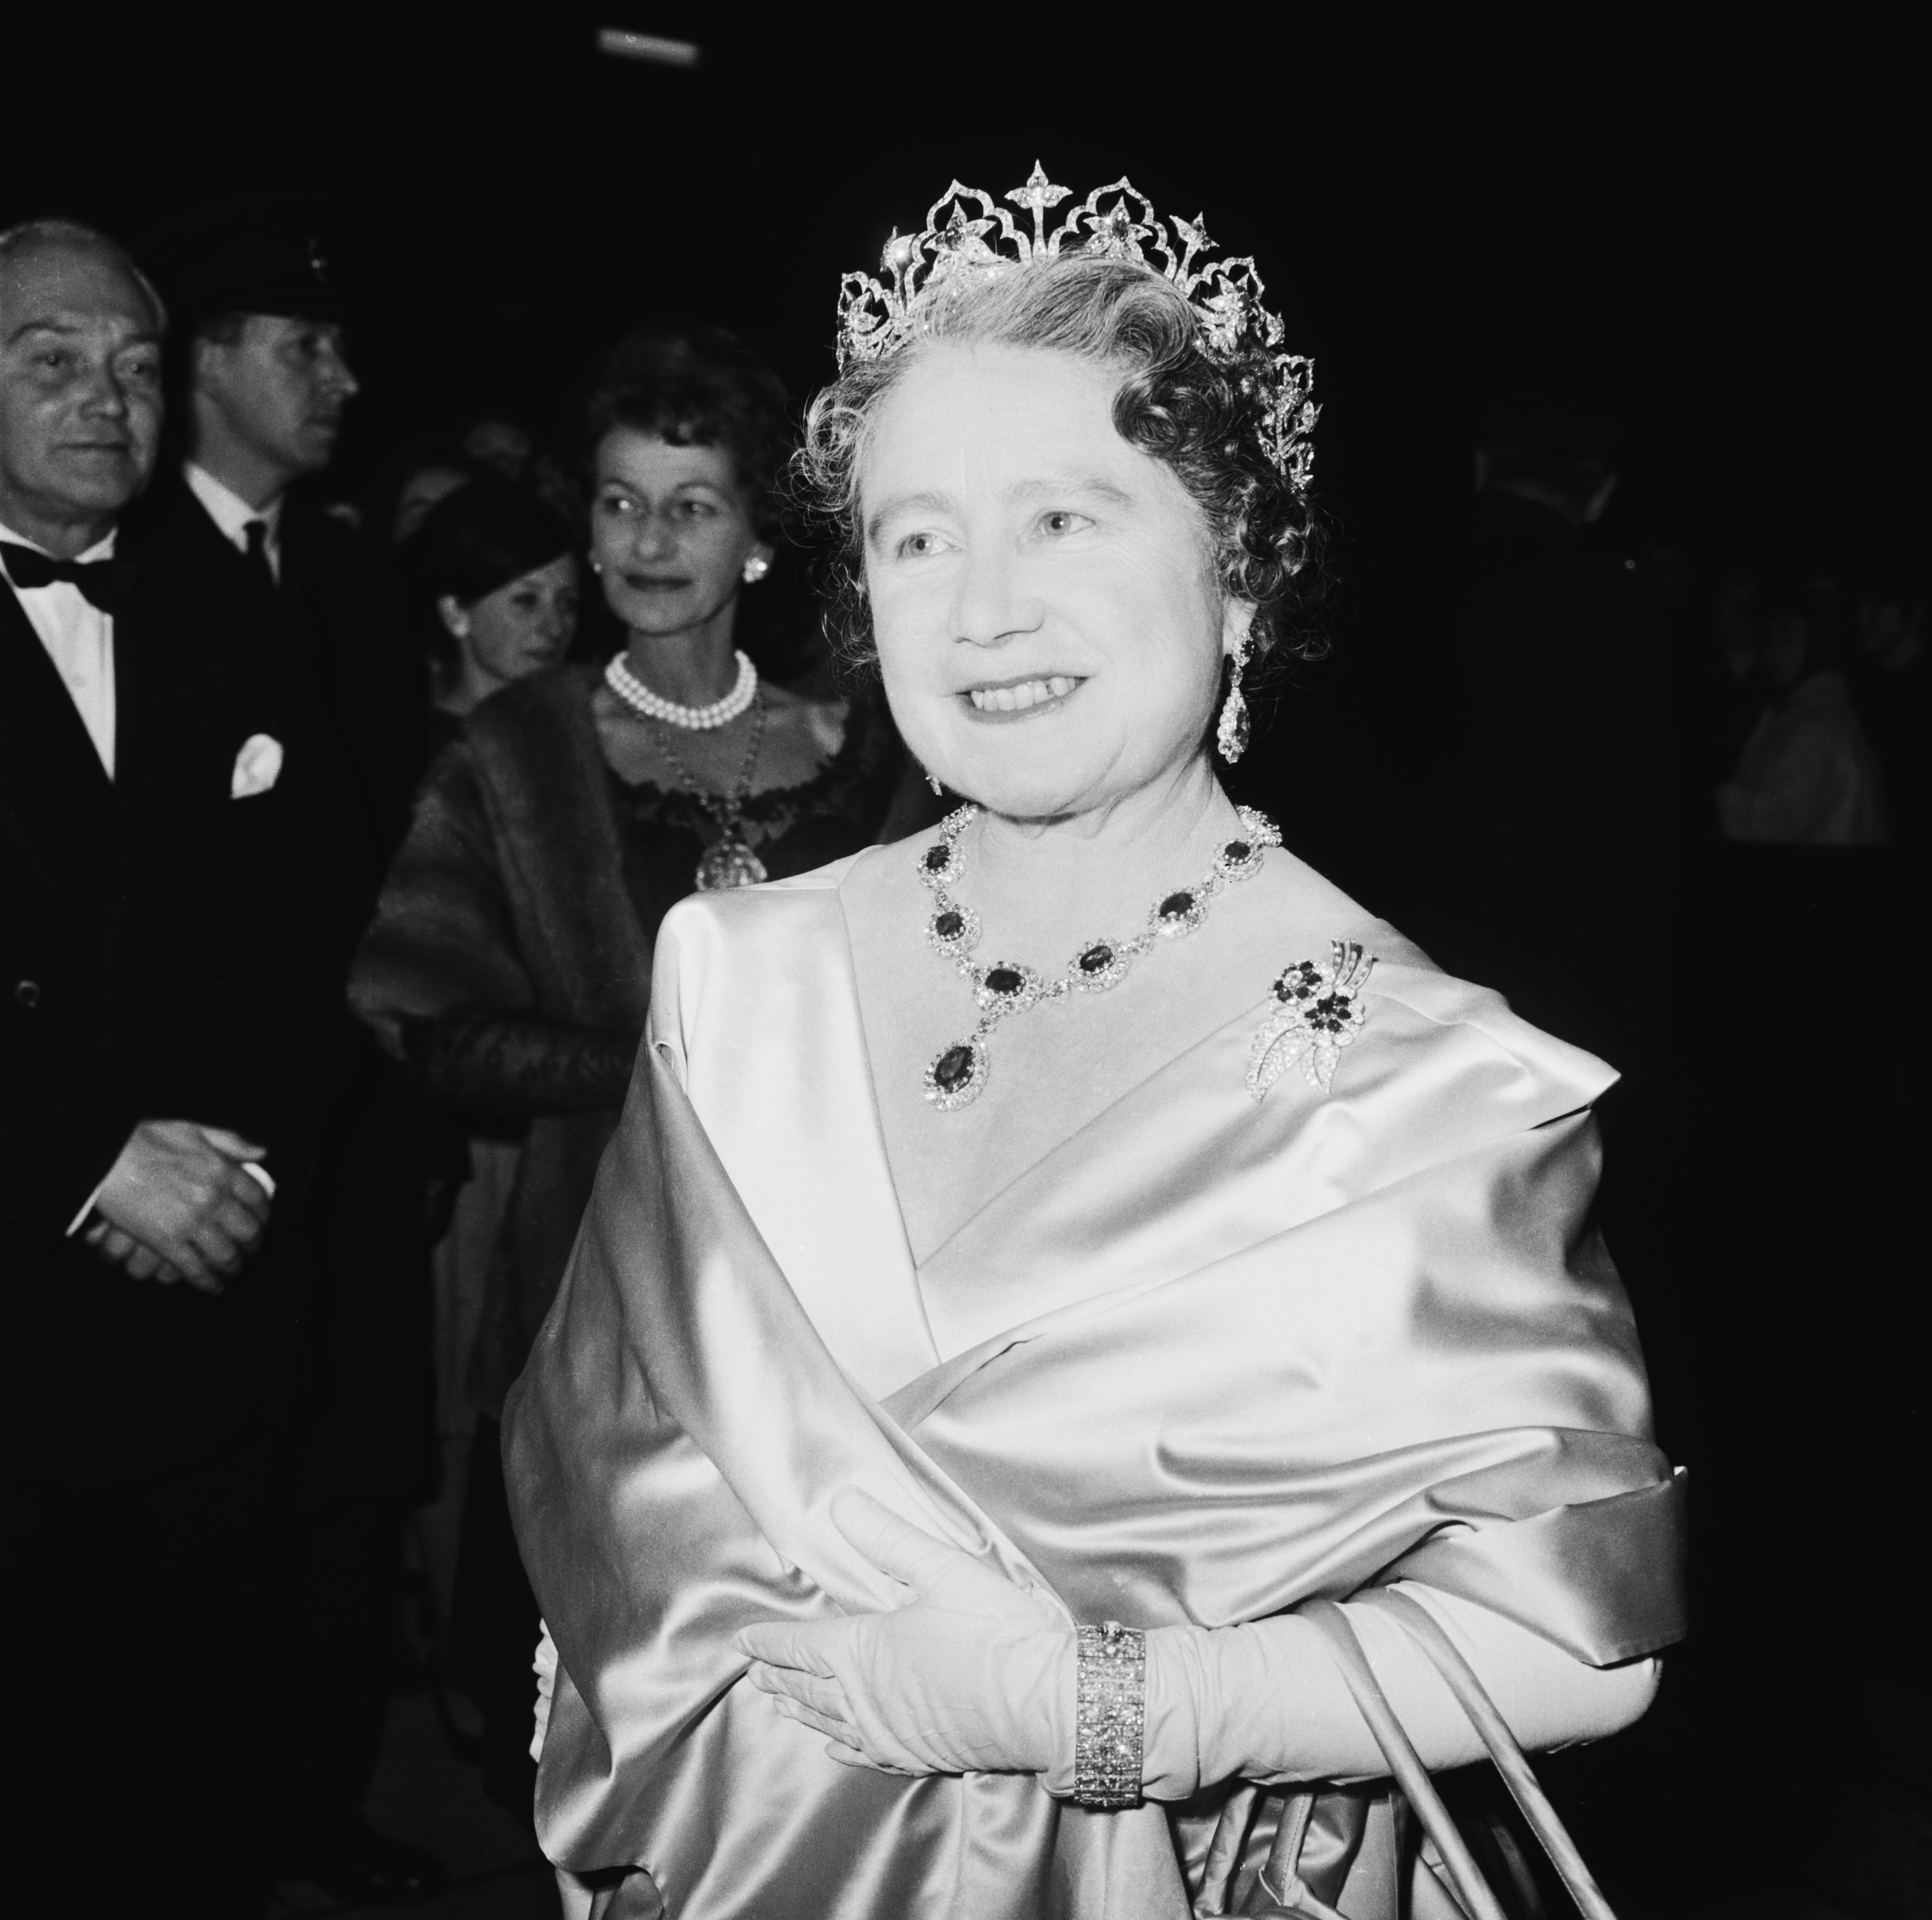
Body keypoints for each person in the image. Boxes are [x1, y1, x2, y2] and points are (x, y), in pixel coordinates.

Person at [503, 174, 1686, 1920]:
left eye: (1065, 519)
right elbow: (601, 1476)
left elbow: (1583, 1639)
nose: (981, 606)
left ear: (1240, 582)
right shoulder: (736, 975)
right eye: (918, 534)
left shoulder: (1419, 1086)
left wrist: (1104, 1706)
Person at [351, 317, 918, 1811]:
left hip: (841, 1316)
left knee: (816, 1742)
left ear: (753, 543)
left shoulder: (864, 748)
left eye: (691, 503)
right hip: (592, 1292)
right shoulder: (515, 750)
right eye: (617, 500)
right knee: (591, 1737)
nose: (647, 537)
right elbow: (416, 1012)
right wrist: (661, 1067)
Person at [0, 218, 361, 1915]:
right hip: (22, 1285)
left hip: (213, 1285)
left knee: (188, 1790)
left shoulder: (233, 623)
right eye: (50, 360)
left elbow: (315, 948)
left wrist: (235, 1155)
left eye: (137, 367)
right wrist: (82, 1156)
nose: (107, 397)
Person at [129, 198, 446, 1904]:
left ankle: (310, 1815)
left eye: (337, 346)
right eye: (301, 348)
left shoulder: (336, 564)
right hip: (184, 1133)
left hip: (349, 1108)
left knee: (345, 1475)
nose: (340, 376)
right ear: (209, 369)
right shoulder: (128, 563)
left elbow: (388, 854)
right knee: (201, 1494)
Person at [403, 475, 583, 752]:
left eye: (567, 604)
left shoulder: (579, 740)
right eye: (526, 601)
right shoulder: (418, 754)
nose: (555, 628)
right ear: (456, 614)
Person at [1717, 576, 1887, 845]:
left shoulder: (1812, 730)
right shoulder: (1820, 710)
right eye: (1768, 636)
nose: (1772, 652)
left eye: (1787, 637)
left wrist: (1720, 796)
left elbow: (1762, 827)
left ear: (1821, 641)